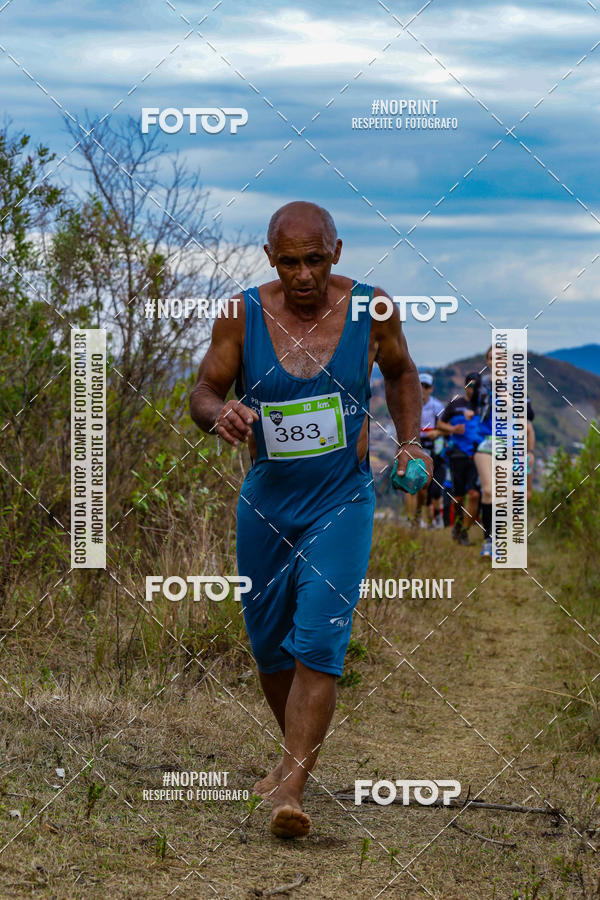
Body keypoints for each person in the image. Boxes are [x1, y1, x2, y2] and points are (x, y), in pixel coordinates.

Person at [189, 201, 432, 838]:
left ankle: (292, 789)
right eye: (290, 262)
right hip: (266, 504)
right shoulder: (241, 314)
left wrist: (411, 442)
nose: (303, 275)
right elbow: (204, 391)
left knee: (319, 640)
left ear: (337, 252)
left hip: (341, 500)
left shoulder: (372, 310)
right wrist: (218, 413)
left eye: (316, 260)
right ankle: (291, 758)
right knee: (271, 649)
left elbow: (402, 372)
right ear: (270, 258)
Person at [437, 373, 482, 546]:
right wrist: (453, 429)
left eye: (476, 386)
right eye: (470, 385)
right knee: (458, 497)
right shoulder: (455, 404)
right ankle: (457, 526)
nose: (473, 389)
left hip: (478, 454)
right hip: (457, 454)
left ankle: (464, 531)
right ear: (465, 386)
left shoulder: (483, 405)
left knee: (474, 494)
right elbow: (440, 424)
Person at [404, 373, 445, 529]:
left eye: (426, 386)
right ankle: (412, 520)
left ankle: (427, 516)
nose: (422, 389)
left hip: (432, 449)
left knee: (429, 488)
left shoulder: (437, 406)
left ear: (431, 389)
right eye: (420, 385)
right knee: (411, 485)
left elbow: (445, 428)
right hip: (414, 447)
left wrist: (437, 432)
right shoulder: (409, 404)